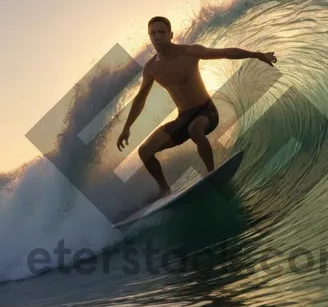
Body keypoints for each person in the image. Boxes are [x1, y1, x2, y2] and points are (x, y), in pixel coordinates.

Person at [116, 16, 277, 198]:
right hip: (182, 117)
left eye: (161, 32)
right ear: (149, 37)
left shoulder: (189, 52)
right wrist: (127, 127)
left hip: (206, 111)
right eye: (153, 33)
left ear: (171, 35)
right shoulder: (151, 68)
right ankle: (164, 189)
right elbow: (140, 99)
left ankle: (211, 173)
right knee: (144, 151)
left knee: (195, 130)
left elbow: (225, 53)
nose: (157, 36)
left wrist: (257, 54)